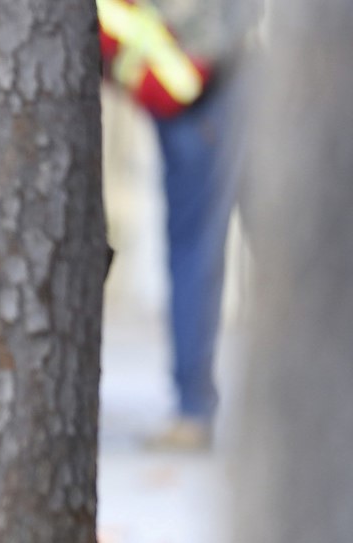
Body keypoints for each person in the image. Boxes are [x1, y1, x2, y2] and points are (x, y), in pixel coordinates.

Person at [98, 0, 257, 450]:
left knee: (194, 251)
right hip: (206, 75)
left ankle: (193, 410)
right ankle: (193, 406)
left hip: (202, 83)